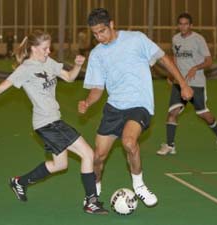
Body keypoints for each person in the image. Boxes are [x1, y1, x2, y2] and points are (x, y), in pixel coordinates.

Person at [0, 30, 108, 215]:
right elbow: (0, 89)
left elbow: (68, 78)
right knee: (88, 154)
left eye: (49, 48)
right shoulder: (25, 69)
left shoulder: (48, 62)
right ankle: (91, 202)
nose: (48, 52)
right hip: (48, 124)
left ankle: (19, 182)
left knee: (60, 165)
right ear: (34, 48)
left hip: (53, 121)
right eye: (45, 48)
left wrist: (77, 66)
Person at [78, 8, 193, 207]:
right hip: (114, 107)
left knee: (129, 142)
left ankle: (138, 186)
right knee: (97, 157)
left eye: (102, 31)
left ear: (111, 24)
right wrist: (88, 102)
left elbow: (164, 58)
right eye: (95, 34)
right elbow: (98, 88)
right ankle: (94, 196)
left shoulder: (136, 39)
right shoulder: (96, 54)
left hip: (140, 104)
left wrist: (183, 84)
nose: (99, 37)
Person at [157, 12, 217, 155]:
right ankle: (170, 145)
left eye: (186, 24)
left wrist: (195, 67)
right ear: (178, 25)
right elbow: (175, 59)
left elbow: (209, 61)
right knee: (172, 113)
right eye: (180, 24)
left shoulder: (198, 39)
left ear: (191, 25)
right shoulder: (175, 39)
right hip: (179, 82)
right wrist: (172, 74)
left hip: (196, 83)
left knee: (202, 113)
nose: (183, 26)